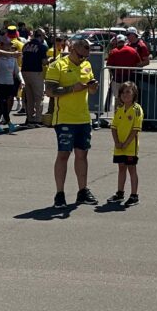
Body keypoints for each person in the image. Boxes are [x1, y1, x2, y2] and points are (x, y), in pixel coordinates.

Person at [45, 39, 99, 208]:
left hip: (83, 118)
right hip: (64, 119)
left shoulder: (87, 65)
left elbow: (89, 86)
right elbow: (50, 91)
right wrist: (70, 89)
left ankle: (82, 191)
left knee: (82, 154)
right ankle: (59, 194)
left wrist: (92, 87)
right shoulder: (57, 66)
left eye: (86, 56)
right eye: (81, 55)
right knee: (63, 155)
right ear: (73, 49)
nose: (83, 58)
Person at [108, 81, 143, 206]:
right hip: (119, 146)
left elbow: (135, 129)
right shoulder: (119, 109)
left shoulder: (136, 109)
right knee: (121, 168)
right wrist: (117, 142)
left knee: (131, 169)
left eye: (128, 92)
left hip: (130, 147)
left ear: (134, 94)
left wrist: (126, 143)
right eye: (122, 92)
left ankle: (134, 195)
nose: (125, 95)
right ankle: (120, 193)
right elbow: (114, 127)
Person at [0, 35, 21, 134]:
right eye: (8, 44)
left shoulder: (13, 59)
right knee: (2, 102)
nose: (10, 46)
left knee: (2, 104)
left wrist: (22, 80)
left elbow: (17, 71)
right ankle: (9, 123)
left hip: (10, 83)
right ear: (2, 45)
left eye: (10, 44)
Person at [19, 29, 48, 127]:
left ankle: (30, 118)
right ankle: (38, 119)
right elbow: (44, 62)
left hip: (25, 71)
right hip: (36, 72)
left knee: (29, 96)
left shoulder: (26, 45)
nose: (44, 38)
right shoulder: (42, 47)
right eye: (43, 36)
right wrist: (50, 60)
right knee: (39, 97)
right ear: (40, 36)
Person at [105, 34, 141, 111]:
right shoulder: (132, 50)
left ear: (117, 42)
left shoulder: (113, 52)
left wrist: (112, 73)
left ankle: (117, 118)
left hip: (117, 79)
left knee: (118, 99)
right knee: (130, 99)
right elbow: (138, 63)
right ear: (125, 41)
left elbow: (108, 65)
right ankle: (130, 118)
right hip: (130, 80)